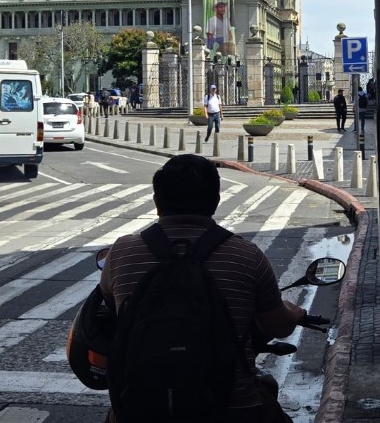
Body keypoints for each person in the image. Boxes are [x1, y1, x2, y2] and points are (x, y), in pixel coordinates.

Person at [99, 154, 306, 422]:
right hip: (235, 407)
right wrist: (294, 312)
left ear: (156, 200)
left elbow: (107, 307)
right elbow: (279, 326)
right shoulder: (246, 255)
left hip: (140, 408)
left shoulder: (122, 252)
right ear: (216, 201)